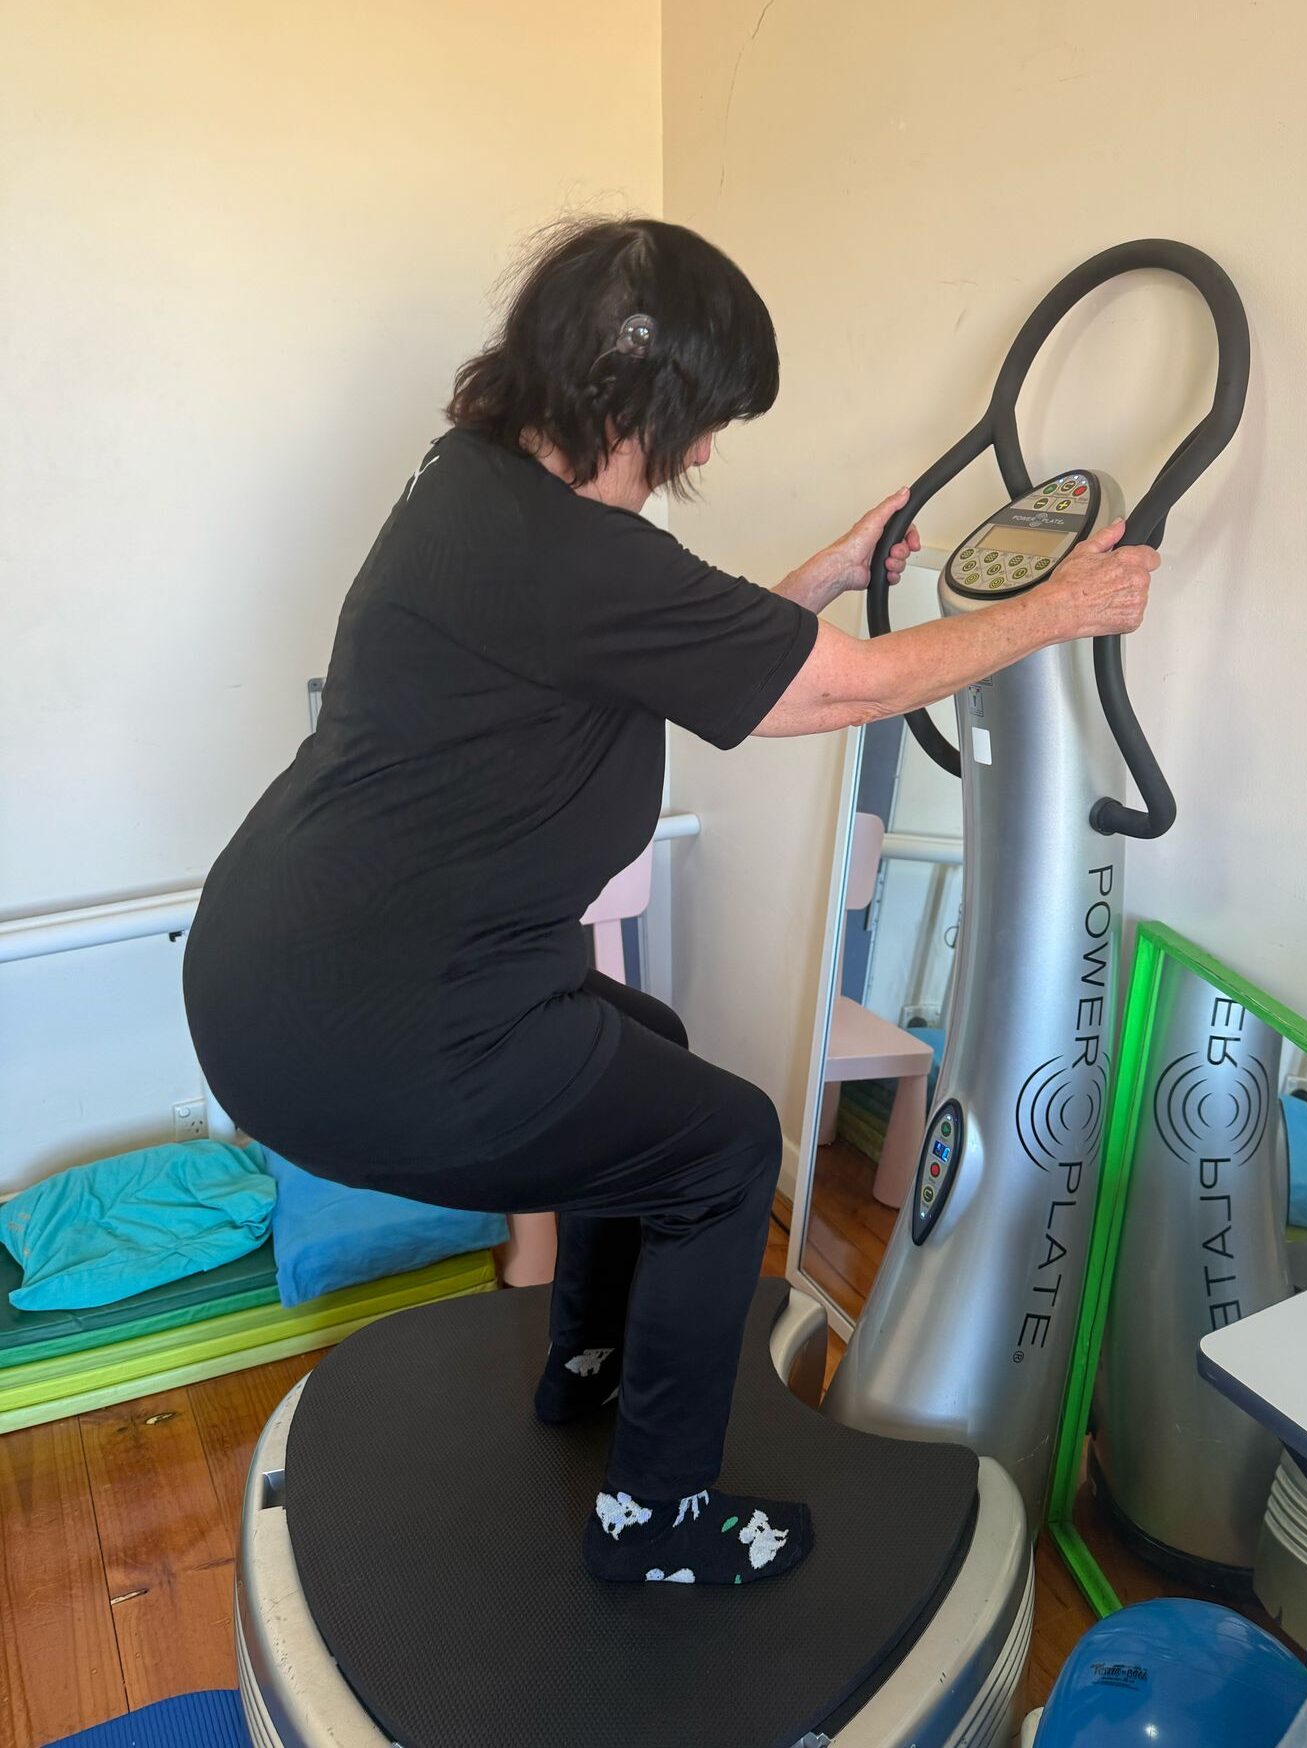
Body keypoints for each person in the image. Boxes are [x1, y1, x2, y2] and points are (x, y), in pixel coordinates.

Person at [182, 216, 1157, 1588]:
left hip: (299, 967)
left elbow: (649, 637)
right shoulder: (583, 560)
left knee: (646, 1041)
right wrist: (1064, 611)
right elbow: (846, 688)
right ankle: (658, 1527)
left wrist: (822, 574)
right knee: (722, 1149)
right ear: (628, 400)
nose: (704, 456)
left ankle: (585, 1356)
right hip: (373, 1031)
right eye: (699, 424)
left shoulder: (477, 488)